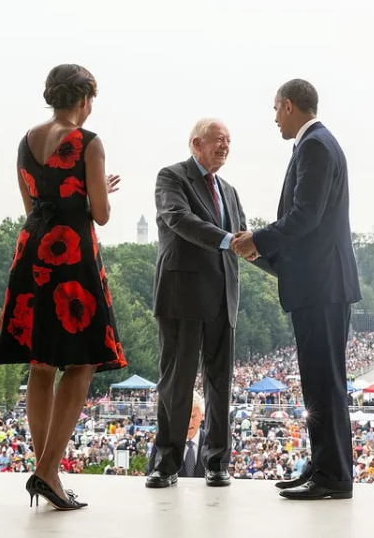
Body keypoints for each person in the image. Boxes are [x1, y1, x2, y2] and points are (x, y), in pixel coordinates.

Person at [0, 63, 126, 511]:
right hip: (72, 253)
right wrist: (97, 189)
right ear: (84, 99)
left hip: (32, 249)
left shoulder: (26, 141)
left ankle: (48, 469)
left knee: (41, 364)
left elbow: (32, 204)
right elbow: (100, 214)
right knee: (83, 360)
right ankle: (47, 471)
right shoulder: (88, 142)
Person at [232, 79, 361, 500]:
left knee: (324, 383)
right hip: (321, 283)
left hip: (321, 287)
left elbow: (305, 217)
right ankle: (324, 466)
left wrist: (258, 240)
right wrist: (266, 256)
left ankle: (333, 476)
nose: (273, 119)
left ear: (289, 106)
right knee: (319, 383)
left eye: (275, 110)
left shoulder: (315, 147)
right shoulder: (319, 145)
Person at [146, 119, 252, 489]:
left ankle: (217, 461)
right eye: (218, 140)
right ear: (196, 143)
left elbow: (244, 243)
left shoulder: (230, 191)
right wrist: (228, 239)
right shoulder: (172, 177)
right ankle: (166, 462)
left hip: (224, 297)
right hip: (183, 296)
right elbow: (180, 220)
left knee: (220, 384)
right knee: (177, 382)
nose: (225, 145)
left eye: (228, 140)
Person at [147, 391, 207, 479]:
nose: (189, 423)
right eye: (185, 417)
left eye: (193, 416)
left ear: (202, 416)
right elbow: (151, 473)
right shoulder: (165, 443)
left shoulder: (210, 443)